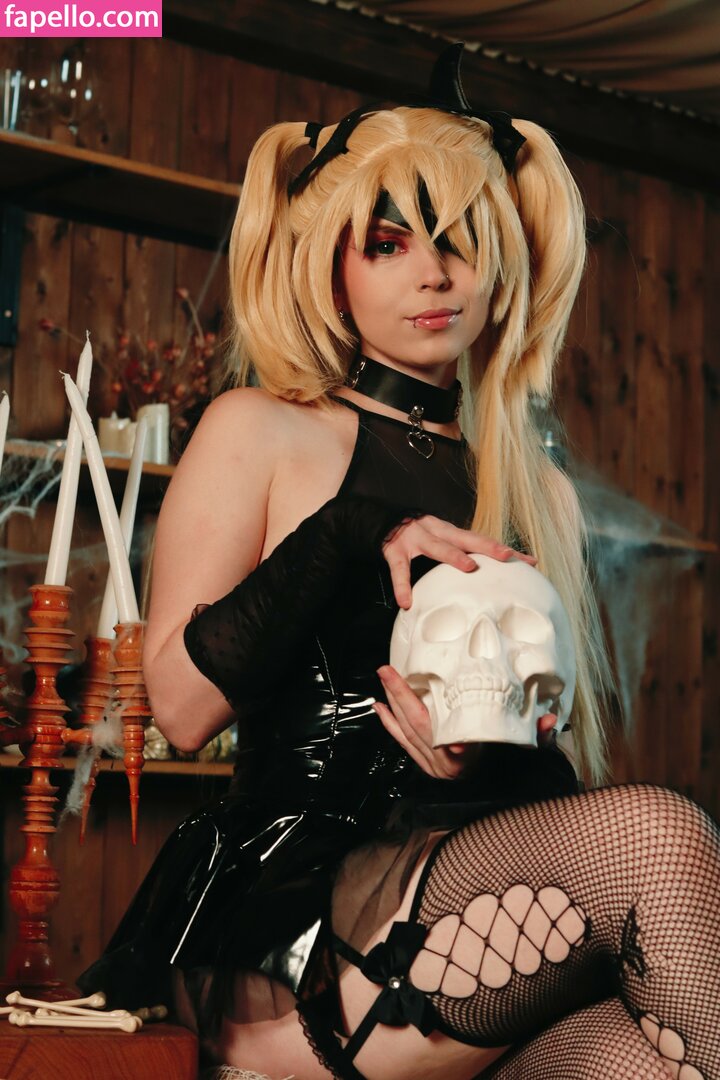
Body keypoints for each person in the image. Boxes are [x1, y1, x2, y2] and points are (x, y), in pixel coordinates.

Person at [79, 45, 720, 1080]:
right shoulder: (261, 430)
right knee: (660, 836)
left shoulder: (536, 487)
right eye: (388, 245)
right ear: (332, 271)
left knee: (647, 1060)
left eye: (463, 242)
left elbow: (550, 761)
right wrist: (350, 531)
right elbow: (181, 709)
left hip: (480, 921)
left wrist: (481, 764)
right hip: (298, 927)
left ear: (502, 267)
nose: (435, 273)